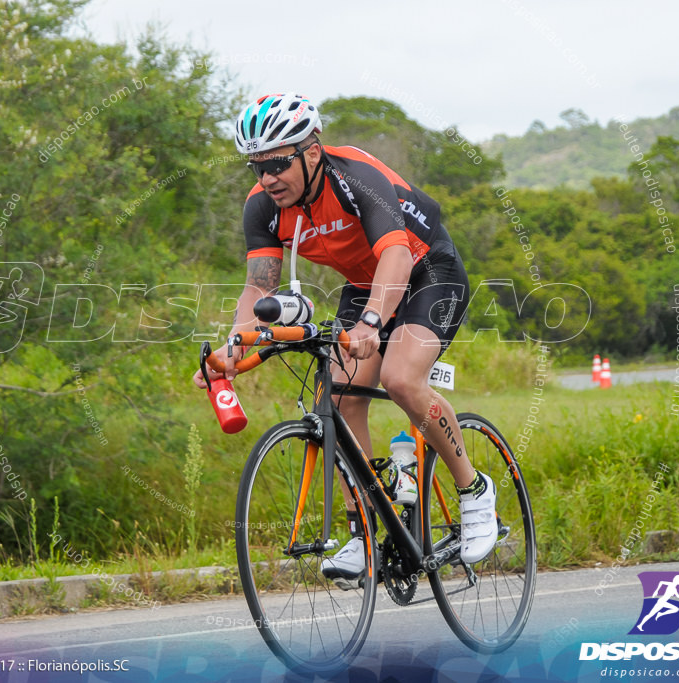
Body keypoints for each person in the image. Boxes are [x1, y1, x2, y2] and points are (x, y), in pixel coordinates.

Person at [192, 93, 497, 586]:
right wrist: (233, 346)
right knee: (337, 397)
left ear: (311, 152)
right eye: (257, 167)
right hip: (364, 283)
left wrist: (372, 324)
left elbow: (396, 257)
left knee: (400, 378)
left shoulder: (355, 178)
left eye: (276, 163)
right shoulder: (263, 208)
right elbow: (259, 285)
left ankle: (474, 490)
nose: (267, 178)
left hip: (426, 270)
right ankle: (364, 530)